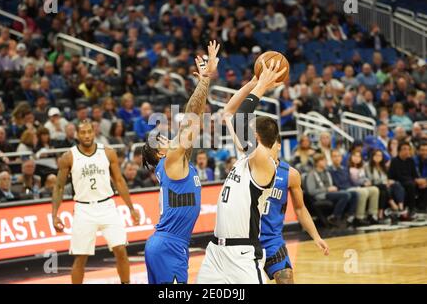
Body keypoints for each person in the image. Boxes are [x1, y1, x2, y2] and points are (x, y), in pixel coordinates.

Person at [197, 59, 294, 284]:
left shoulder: (264, 162)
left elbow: (240, 118)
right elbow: (228, 113)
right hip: (215, 251)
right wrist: (252, 82)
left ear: (257, 138)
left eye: (249, 130)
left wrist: (262, 86)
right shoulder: (245, 156)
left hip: (242, 254)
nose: (244, 132)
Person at [140, 41, 219, 284]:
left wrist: (204, 84)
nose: (168, 137)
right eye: (162, 139)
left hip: (168, 244)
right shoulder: (172, 159)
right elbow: (191, 119)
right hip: (169, 245)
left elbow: (195, 120)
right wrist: (205, 79)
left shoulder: (179, 161)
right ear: (160, 154)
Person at [52, 120, 140, 284]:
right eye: (83, 132)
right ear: (77, 135)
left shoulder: (107, 152)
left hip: (107, 206)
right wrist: (54, 215)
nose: (86, 135)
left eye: (89, 132)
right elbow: (58, 187)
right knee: (81, 257)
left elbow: (119, 181)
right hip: (84, 209)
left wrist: (131, 208)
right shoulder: (68, 157)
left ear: (94, 133)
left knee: (120, 249)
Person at [260, 140, 329, 284]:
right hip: (248, 239)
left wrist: (316, 237)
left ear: (279, 145)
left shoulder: (290, 174)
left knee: (287, 280)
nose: (265, 148)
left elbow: (300, 208)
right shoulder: (250, 168)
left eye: (269, 144)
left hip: (272, 240)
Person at [307, 153, 357, 227]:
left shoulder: (327, 172)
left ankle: (349, 216)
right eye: (322, 160)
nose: (325, 162)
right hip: (321, 195)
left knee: (354, 194)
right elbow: (311, 191)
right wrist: (327, 189)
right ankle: (334, 217)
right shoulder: (311, 174)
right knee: (345, 195)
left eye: (325, 160)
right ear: (317, 162)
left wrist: (333, 188)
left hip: (331, 192)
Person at [366, 149, 406, 220]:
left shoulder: (383, 167)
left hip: (383, 185)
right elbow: (371, 179)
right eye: (376, 155)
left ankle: (400, 207)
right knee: (384, 188)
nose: (378, 157)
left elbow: (386, 177)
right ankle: (391, 203)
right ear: (372, 156)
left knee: (396, 184)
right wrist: (384, 182)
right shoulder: (368, 166)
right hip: (374, 185)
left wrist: (388, 181)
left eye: (380, 156)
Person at [389, 142, 427, 215]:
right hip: (398, 182)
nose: (407, 151)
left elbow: (414, 174)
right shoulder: (394, 161)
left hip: (410, 181)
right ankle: (411, 208)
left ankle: (422, 206)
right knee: (411, 185)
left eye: (408, 149)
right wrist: (414, 180)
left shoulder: (410, 160)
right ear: (399, 150)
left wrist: (419, 180)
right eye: (404, 149)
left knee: (423, 185)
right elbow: (397, 176)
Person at [348, 151, 380, 224]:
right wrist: (363, 183)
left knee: (375, 189)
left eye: (359, 156)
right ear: (351, 157)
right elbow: (353, 181)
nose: (356, 158)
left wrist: (367, 181)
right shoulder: (348, 168)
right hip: (354, 187)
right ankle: (359, 217)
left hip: (362, 186)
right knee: (363, 192)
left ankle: (372, 215)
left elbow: (365, 177)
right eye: (355, 156)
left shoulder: (362, 168)